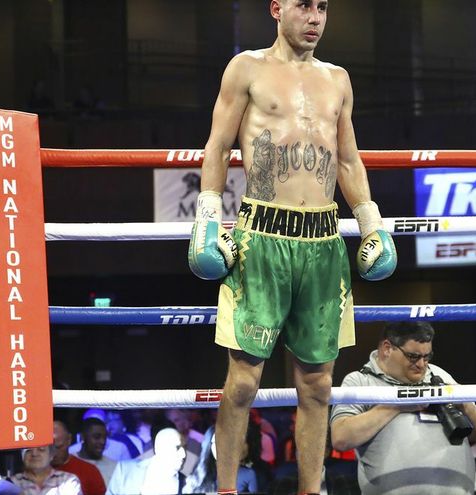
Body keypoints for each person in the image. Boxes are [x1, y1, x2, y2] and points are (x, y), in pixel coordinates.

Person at [187, 2, 397, 493]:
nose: (315, 17)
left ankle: (310, 490)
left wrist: (371, 223)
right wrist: (208, 215)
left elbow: (348, 160)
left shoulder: (338, 79)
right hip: (260, 237)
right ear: (277, 9)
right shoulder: (246, 68)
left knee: (318, 384)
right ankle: (225, 489)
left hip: (323, 240)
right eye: (304, 5)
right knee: (243, 381)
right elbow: (218, 145)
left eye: (323, 7)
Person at [329, 322, 476, 494]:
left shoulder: (439, 374)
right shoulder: (360, 381)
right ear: (387, 348)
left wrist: (466, 406)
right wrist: (395, 405)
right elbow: (341, 438)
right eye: (413, 356)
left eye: (427, 357)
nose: (421, 364)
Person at [106, 428, 185, 495]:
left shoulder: (186, 484)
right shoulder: (124, 469)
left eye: (184, 448)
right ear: (160, 448)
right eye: (177, 448)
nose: (184, 454)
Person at [52, 420, 107, 495]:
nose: (54, 453)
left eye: (59, 447)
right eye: (49, 448)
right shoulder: (36, 470)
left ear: (69, 440)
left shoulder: (89, 472)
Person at [12, 445, 82, 495]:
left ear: (51, 455)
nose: (34, 454)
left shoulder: (68, 480)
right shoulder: (12, 482)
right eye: (28, 450)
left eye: (41, 449)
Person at [73, 418, 118, 485]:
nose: (102, 442)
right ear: (82, 437)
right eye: (97, 437)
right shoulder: (69, 463)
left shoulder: (114, 467)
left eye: (105, 437)